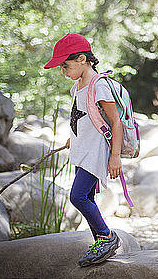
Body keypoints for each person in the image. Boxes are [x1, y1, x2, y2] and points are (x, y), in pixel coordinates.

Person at [44, 33, 122, 266]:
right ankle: (100, 239)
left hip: (95, 151)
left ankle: (106, 236)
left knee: (77, 196)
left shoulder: (99, 86)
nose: (63, 71)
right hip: (82, 148)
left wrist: (115, 157)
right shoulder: (77, 86)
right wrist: (73, 138)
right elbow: (82, 117)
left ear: (81, 59)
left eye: (65, 66)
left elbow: (115, 121)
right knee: (86, 196)